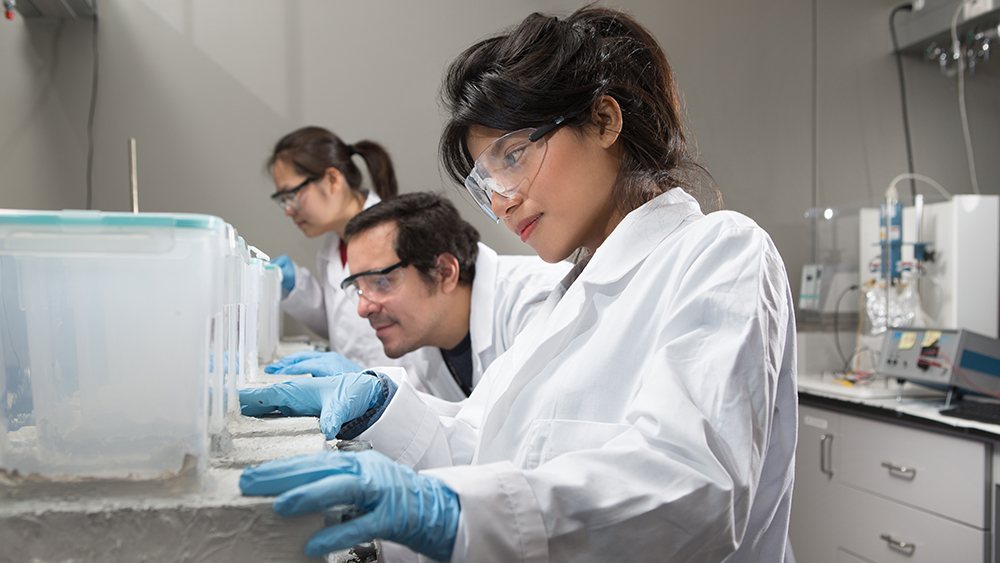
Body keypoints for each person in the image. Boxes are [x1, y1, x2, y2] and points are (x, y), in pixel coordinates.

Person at [240, 7, 798, 563]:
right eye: (485, 183)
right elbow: (487, 449)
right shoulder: (568, 294)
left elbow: (691, 488)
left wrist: (449, 512)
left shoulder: (720, 252)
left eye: (514, 156)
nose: (501, 201)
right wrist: (381, 408)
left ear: (604, 120)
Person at [243, 193, 572, 425]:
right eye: (357, 287)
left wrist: (382, 397)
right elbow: (451, 424)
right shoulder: (423, 337)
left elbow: (514, 441)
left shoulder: (541, 304)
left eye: (380, 282)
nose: (362, 307)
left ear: (444, 272)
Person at [266, 126, 410, 369]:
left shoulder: (397, 235)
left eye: (291, 194)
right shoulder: (332, 247)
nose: (288, 209)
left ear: (333, 180)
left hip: (411, 393)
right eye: (282, 201)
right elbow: (345, 326)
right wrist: (299, 289)